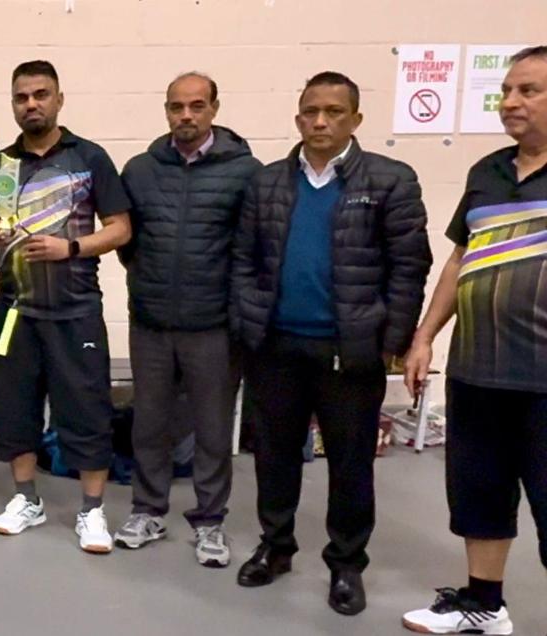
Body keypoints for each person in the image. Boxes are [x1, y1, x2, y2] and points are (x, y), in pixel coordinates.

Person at [229, 71, 431, 615]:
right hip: (276, 346)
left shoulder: (390, 180)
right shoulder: (267, 183)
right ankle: (276, 547)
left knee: (350, 464)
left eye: (334, 112)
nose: (320, 121)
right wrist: (248, 322)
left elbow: (409, 267)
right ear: (298, 117)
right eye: (310, 111)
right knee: (274, 457)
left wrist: (391, 341)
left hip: (350, 351)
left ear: (356, 119)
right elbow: (243, 258)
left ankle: (346, 563)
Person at [401, 46, 547, 636]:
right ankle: (485, 606)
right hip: (477, 372)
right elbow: (461, 258)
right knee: (480, 495)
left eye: (528, 90)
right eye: (506, 90)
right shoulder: (486, 172)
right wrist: (424, 337)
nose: (509, 102)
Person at [0, 61, 132, 552]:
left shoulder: (90, 158)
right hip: (14, 312)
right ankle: (27, 500)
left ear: (59, 99)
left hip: (76, 309)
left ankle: (92, 510)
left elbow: (121, 228)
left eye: (41, 95)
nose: (31, 104)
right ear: (13, 104)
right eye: (22, 97)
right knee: (15, 410)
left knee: (87, 411)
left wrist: (72, 248)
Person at [113, 72, 260, 566]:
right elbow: (128, 243)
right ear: (166, 111)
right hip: (151, 322)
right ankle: (147, 510)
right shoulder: (140, 170)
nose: (186, 116)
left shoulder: (246, 172)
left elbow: (253, 248)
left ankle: (210, 521)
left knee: (213, 430)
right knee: (149, 424)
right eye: (177, 107)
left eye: (197, 106)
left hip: (214, 326)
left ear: (214, 109)